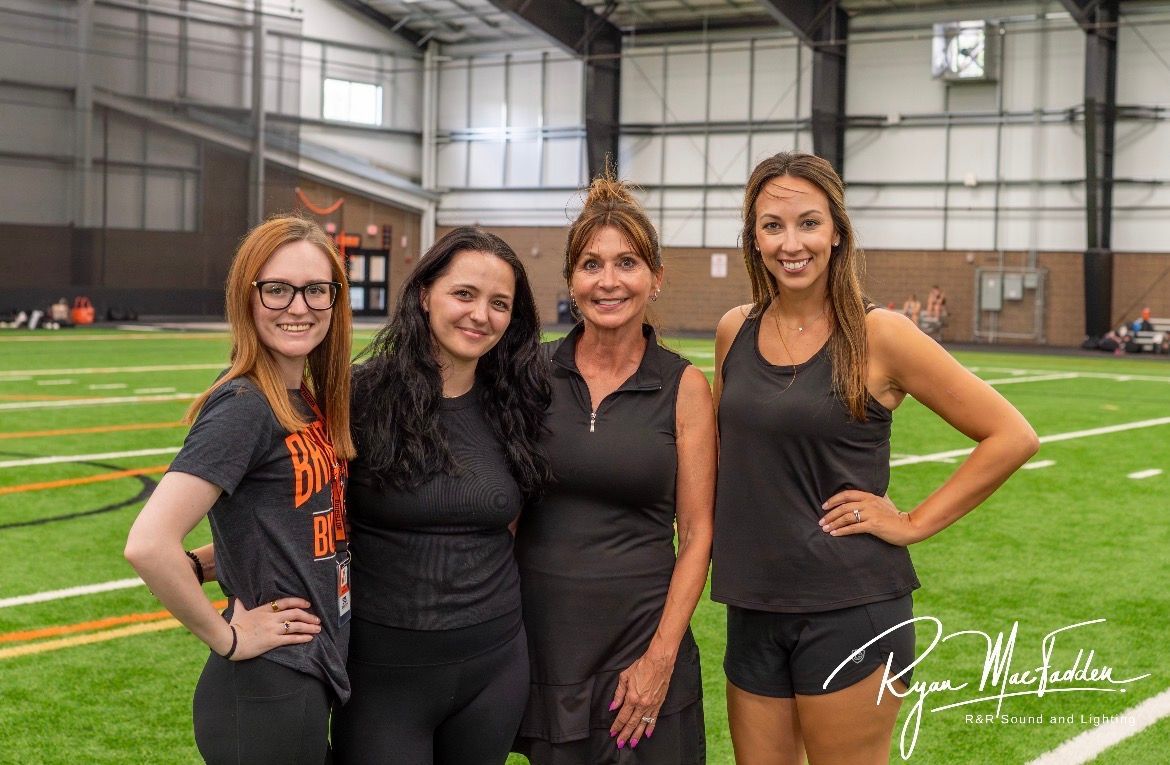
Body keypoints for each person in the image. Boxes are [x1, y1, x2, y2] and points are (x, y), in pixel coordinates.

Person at [711, 152, 1039, 764]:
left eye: (808, 223)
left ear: (837, 231)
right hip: (753, 602)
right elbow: (721, 458)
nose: (791, 243)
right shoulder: (735, 329)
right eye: (772, 226)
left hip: (852, 606)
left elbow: (1011, 435)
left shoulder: (880, 334)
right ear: (752, 238)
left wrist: (913, 523)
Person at [125, 215, 354, 764]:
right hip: (266, 687)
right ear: (246, 297)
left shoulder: (304, 399)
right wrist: (228, 637)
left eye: (315, 290)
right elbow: (148, 543)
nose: (298, 307)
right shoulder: (245, 405)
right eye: (276, 289)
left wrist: (218, 558)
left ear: (334, 300)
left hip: (302, 677)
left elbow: (276, 514)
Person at [513, 176, 716, 764]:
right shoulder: (528, 375)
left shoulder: (684, 388)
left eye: (626, 263)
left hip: (641, 647)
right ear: (572, 282)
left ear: (655, 278)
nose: (608, 281)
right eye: (590, 264)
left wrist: (660, 658)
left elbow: (698, 534)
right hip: (543, 644)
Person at [331, 227, 550, 765]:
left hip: (495, 666)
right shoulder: (357, 397)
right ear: (424, 293)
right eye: (465, 294)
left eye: (500, 304)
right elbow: (303, 510)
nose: (482, 315)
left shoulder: (517, 404)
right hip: (383, 673)